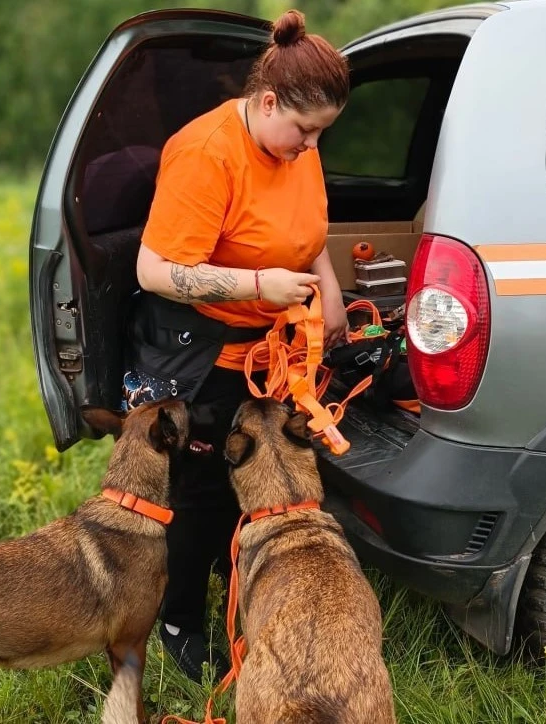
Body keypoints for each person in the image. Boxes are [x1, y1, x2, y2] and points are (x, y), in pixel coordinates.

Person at [127, 8, 350, 682]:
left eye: (321, 135)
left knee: (256, 483)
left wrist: (327, 289)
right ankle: (180, 618)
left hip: (273, 346)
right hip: (206, 347)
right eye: (304, 130)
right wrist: (258, 281)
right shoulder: (208, 153)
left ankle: (249, 604)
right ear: (269, 100)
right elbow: (156, 270)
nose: (310, 147)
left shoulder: (296, 148)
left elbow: (309, 234)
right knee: (200, 493)